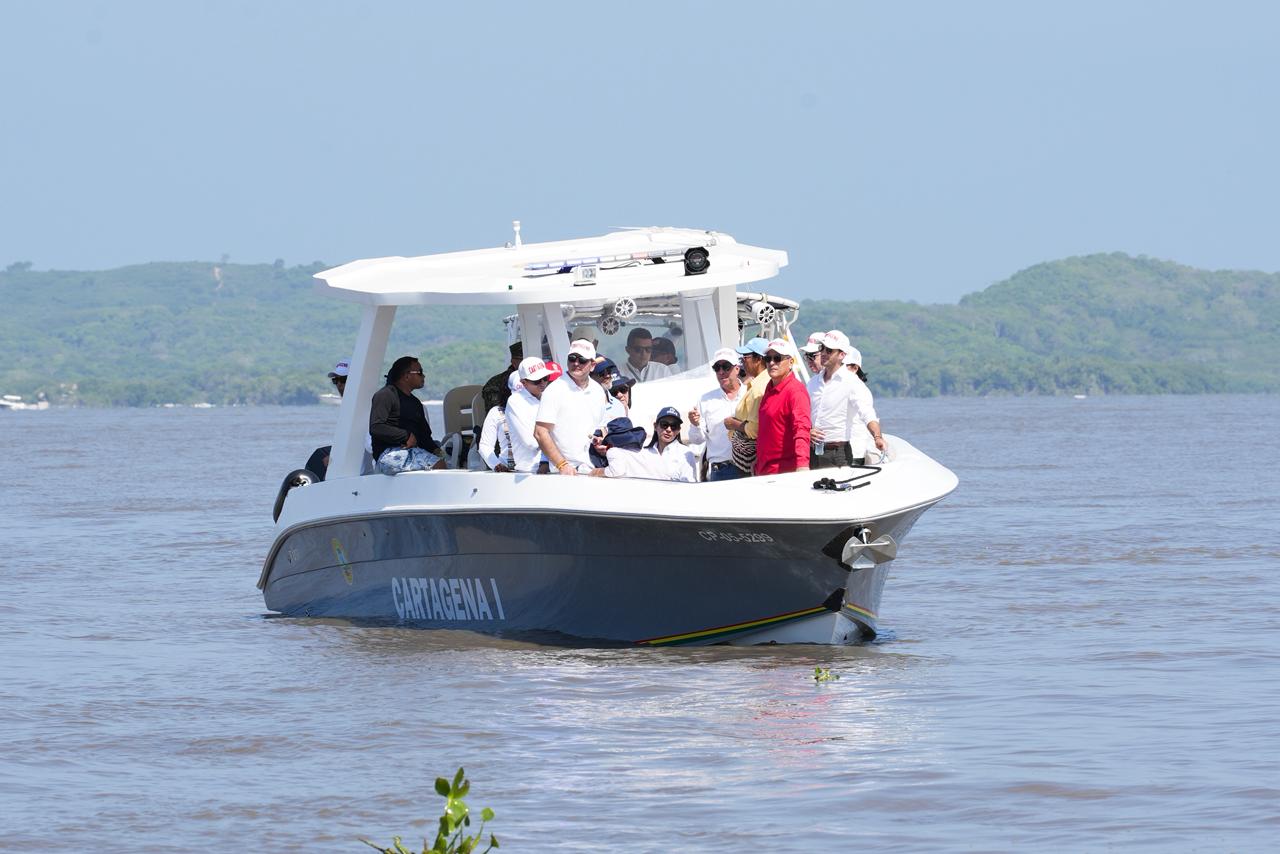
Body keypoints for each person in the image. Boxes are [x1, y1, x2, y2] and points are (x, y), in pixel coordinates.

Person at [535, 339, 608, 475]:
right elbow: (540, 432)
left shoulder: (598, 391)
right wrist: (562, 465)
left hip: (591, 468)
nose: (576, 363)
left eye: (582, 360)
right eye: (572, 358)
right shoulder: (554, 390)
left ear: (592, 365)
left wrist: (601, 442)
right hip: (562, 472)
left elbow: (600, 428)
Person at [369, 356, 447, 474]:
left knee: (446, 462)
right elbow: (376, 427)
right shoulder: (385, 395)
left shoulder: (415, 403)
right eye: (420, 372)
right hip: (388, 454)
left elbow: (424, 436)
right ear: (406, 376)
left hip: (411, 452)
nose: (423, 376)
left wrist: (437, 451)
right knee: (438, 465)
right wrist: (405, 436)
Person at [805, 330, 867, 469]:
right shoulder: (813, 384)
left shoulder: (854, 384)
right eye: (822, 349)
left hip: (847, 451)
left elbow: (868, 415)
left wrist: (877, 436)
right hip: (818, 450)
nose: (823, 354)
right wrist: (808, 430)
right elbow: (806, 414)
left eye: (829, 350)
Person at [687, 347, 745, 481]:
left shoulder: (751, 394)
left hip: (750, 467)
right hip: (720, 471)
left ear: (737, 369)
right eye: (717, 368)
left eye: (726, 367)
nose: (721, 372)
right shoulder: (705, 399)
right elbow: (697, 440)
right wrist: (695, 425)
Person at [755, 339, 811, 475]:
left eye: (777, 358)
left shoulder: (796, 392)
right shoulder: (769, 389)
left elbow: (801, 429)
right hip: (764, 470)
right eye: (768, 359)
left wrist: (802, 465)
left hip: (783, 473)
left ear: (791, 362)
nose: (772, 363)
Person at [721, 336, 771, 476]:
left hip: (748, 464)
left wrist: (733, 424)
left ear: (759, 359)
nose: (742, 361)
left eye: (746, 356)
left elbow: (754, 429)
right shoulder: (758, 384)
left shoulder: (759, 388)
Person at [305, 358, 352, 480]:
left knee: (320, 457)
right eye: (335, 380)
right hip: (352, 450)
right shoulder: (349, 405)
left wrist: (336, 457)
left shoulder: (366, 404)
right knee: (320, 455)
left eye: (344, 380)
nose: (339, 384)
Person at [505, 356, 554, 473]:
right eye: (537, 381)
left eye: (545, 378)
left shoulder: (549, 396)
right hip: (531, 470)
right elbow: (531, 442)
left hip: (556, 466)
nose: (543, 383)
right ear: (523, 383)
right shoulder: (515, 401)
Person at [841, 345, 887, 462]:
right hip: (835, 452)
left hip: (853, 453)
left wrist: (877, 437)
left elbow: (868, 414)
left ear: (855, 368)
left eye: (842, 366)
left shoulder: (858, 388)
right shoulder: (835, 387)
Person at [476, 372, 518, 472]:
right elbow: (485, 445)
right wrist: (497, 465)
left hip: (535, 468)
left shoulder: (539, 408)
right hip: (506, 469)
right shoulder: (496, 412)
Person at [646, 406, 699, 482]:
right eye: (664, 424)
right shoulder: (644, 452)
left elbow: (689, 486)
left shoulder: (686, 454)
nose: (669, 429)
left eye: (674, 426)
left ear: (678, 430)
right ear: (655, 426)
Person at [480, 342, 523, 414]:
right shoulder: (495, 384)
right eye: (522, 361)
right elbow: (496, 414)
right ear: (514, 362)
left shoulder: (537, 381)